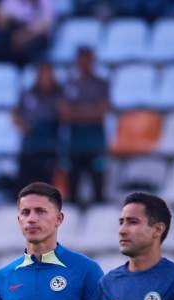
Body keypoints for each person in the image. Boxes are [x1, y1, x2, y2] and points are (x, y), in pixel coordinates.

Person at [58, 46, 109, 204]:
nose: (85, 63)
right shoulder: (70, 84)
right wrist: (89, 112)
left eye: (88, 60)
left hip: (95, 142)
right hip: (75, 142)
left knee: (98, 186)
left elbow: (101, 112)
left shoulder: (101, 84)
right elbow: (64, 113)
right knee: (73, 186)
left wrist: (77, 112)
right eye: (82, 60)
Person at [14, 62, 61, 189]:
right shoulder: (28, 94)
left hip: (49, 146)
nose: (44, 78)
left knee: (46, 186)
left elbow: (65, 116)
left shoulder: (59, 94)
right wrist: (24, 125)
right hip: (30, 145)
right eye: (41, 74)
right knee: (24, 184)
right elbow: (15, 115)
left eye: (47, 74)